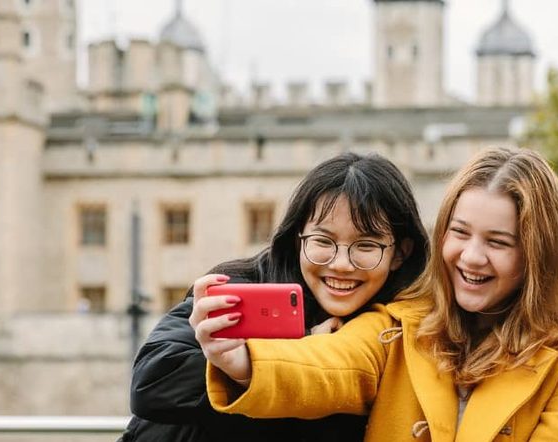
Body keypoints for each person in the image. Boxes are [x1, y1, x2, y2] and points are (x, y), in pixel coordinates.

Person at [197, 146, 558, 441]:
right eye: (459, 233)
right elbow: (334, 363)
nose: (471, 257)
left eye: (498, 242)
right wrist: (244, 361)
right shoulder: (402, 319)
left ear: (535, 253)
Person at [122, 152, 430, 442]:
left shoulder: (398, 328)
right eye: (323, 241)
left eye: (366, 246)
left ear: (400, 253)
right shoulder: (246, 286)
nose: (340, 264)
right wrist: (297, 344)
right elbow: (152, 384)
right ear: (297, 239)